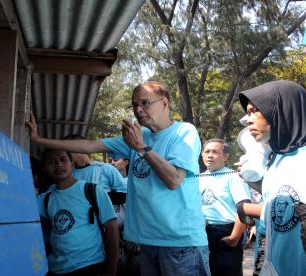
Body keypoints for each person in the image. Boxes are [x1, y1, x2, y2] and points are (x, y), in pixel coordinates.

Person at [28, 81, 210, 276]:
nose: (138, 110)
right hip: (148, 242)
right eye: (134, 105)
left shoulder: (183, 132)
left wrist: (141, 148)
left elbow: (173, 180)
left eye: (145, 103)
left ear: (164, 103)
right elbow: (90, 145)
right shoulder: (139, 136)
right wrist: (39, 140)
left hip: (181, 244)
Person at [238, 80, 306, 275]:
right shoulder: (274, 161)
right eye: (247, 112)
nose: (249, 119)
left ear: (282, 110)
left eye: (255, 111)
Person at [37, 149, 119, 275]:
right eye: (51, 162)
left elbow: (112, 229)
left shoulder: (92, 190)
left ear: (72, 164)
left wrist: (112, 269)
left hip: (91, 265)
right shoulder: (45, 199)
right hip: (57, 269)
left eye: (63, 159)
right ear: (44, 170)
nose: (58, 164)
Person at [199, 139, 251, 276]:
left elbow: (245, 208)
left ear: (226, 156)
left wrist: (233, 238)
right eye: (207, 152)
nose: (210, 155)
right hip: (201, 234)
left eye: (215, 152)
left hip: (225, 233)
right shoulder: (198, 177)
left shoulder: (233, 177)